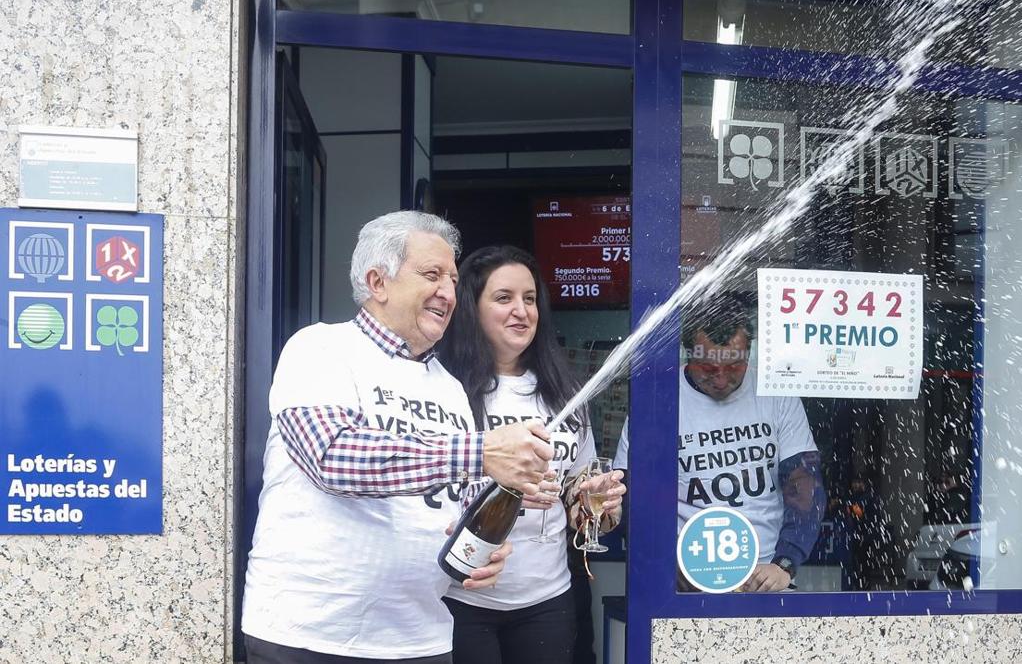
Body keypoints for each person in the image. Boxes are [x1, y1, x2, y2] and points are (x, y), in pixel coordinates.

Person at [242, 212, 554, 664]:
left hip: (421, 639)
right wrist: (484, 450)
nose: (448, 292)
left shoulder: (448, 386)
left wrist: (490, 533)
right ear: (378, 282)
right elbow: (334, 458)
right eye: (432, 275)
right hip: (308, 636)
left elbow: (457, 501)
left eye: (451, 278)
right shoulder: (320, 348)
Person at [438, 245, 625, 664]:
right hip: (460, 596)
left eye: (529, 299)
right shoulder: (442, 386)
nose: (521, 311)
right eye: (504, 298)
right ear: (472, 308)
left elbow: (577, 491)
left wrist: (595, 499)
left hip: (548, 597)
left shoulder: (564, 393)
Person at [614, 296, 825, 591]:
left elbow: (804, 487)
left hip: (764, 577)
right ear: (688, 354)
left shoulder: (775, 391)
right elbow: (630, 498)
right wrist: (667, 566)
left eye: (735, 365)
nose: (722, 379)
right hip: (682, 581)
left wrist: (785, 565)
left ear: (749, 351)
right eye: (709, 368)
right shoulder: (657, 400)